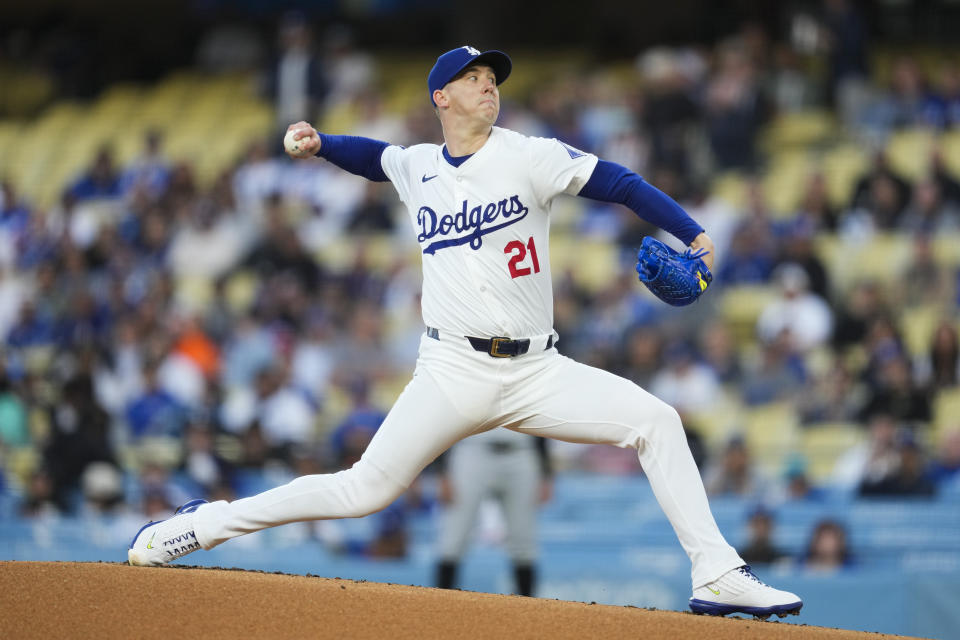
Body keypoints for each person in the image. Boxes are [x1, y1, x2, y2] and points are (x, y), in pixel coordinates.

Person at [128, 45, 802, 619]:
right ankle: (199, 527)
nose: (490, 86)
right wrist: (322, 144)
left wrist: (695, 232)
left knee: (657, 421)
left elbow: (620, 183)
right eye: (476, 78)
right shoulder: (419, 166)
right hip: (453, 371)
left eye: (494, 79)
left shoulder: (529, 156)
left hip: (538, 371)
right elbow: (376, 157)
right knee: (362, 491)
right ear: (441, 97)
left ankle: (715, 574)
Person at [434, 429, 552, 597]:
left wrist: (546, 473)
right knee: (453, 538)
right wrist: (442, 471)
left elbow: (540, 419)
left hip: (521, 450)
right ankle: (438, 607)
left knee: (524, 541)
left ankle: (529, 613)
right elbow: (447, 418)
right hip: (472, 449)